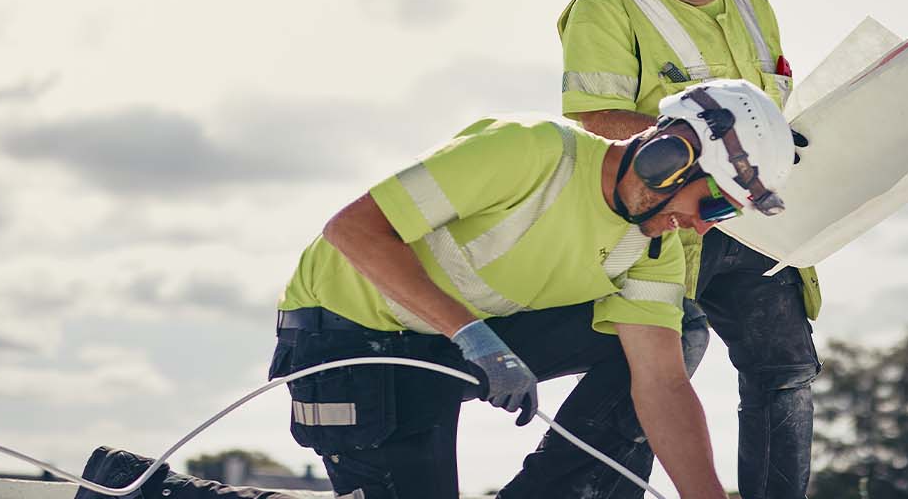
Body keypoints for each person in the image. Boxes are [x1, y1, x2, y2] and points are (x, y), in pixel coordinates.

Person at [73, 80, 798, 499]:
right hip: (346, 337)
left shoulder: (657, 241)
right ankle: (145, 490)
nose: (703, 225)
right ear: (671, 156)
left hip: (449, 342)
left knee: (678, 333)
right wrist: (475, 338)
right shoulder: (528, 151)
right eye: (711, 202)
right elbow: (352, 230)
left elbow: (660, 384)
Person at [525, 0, 822, 497]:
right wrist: (721, 146)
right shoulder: (608, 3)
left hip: (752, 222)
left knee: (786, 371)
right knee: (660, 365)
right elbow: (594, 121)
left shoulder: (754, 7)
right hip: (666, 224)